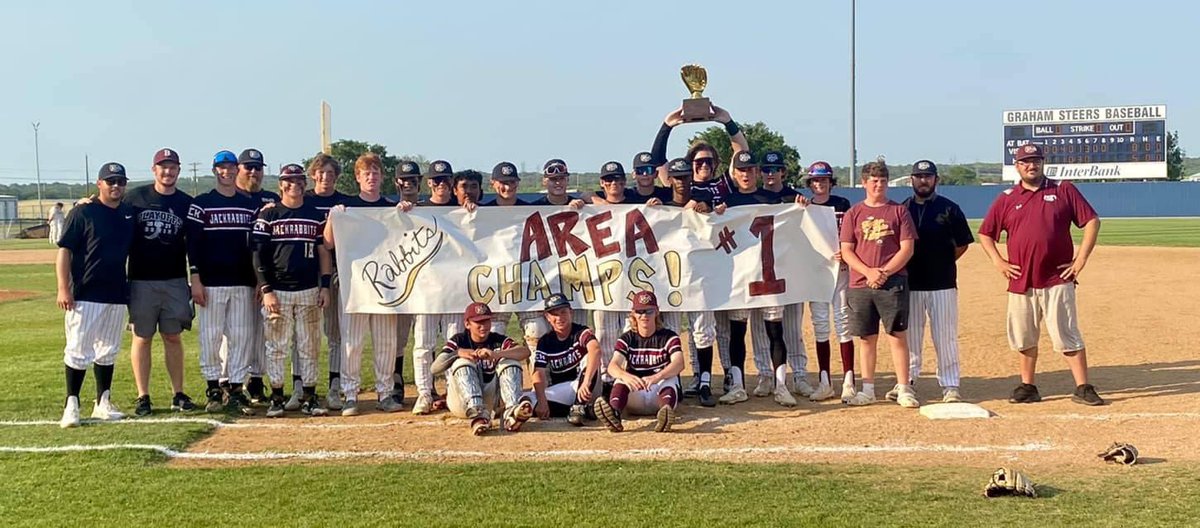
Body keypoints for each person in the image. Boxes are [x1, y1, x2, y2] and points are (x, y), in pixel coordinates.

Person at [978, 143, 1104, 406]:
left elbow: (1091, 221)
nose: (1031, 165)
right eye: (1025, 162)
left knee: (1066, 333)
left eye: (1035, 160)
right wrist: (998, 261)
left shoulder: (1063, 189)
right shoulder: (1007, 198)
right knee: (1024, 335)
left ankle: (1083, 386)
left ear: (1043, 162)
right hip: (1020, 279)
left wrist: (1080, 259)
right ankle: (1028, 385)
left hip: (1056, 278)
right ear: (1017, 166)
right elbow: (986, 233)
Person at [711, 151, 798, 408]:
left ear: (756, 173)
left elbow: (799, 214)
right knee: (738, 332)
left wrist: (800, 203)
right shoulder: (728, 202)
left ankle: (781, 385)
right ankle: (738, 385)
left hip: (769, 274)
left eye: (750, 171)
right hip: (740, 276)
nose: (746, 175)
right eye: (741, 171)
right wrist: (716, 213)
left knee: (775, 330)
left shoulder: (775, 199)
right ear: (735, 174)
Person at [55, 162, 135, 428]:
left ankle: (103, 402)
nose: (115, 186)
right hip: (85, 293)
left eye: (120, 182)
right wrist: (63, 288)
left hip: (116, 292)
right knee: (78, 349)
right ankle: (71, 404)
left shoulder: (127, 213)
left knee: (108, 351)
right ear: (99, 184)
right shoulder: (83, 212)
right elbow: (64, 251)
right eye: (110, 181)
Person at [323, 153, 403, 416]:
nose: (371, 177)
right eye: (366, 173)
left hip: (385, 284)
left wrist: (407, 214)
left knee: (386, 342)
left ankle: (385, 392)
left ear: (382, 177)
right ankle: (349, 394)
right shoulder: (347, 208)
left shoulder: (392, 208)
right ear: (357, 178)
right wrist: (333, 219)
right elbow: (328, 243)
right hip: (354, 283)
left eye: (376, 173)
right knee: (351, 341)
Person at [252, 163, 332, 418]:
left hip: (308, 288)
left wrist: (326, 286)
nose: (293, 184)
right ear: (281, 185)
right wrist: (266, 289)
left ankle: (309, 395)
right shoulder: (269, 214)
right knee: (276, 346)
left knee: (309, 346)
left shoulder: (314, 214)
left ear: (304, 183)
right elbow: (257, 254)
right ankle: (277, 396)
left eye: (298, 180)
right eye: (288, 180)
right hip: (278, 289)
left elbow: (322, 251)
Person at [838, 160, 920, 408]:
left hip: (892, 282)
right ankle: (868, 388)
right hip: (861, 284)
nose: (879, 185)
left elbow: (907, 248)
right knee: (866, 337)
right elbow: (847, 250)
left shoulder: (899, 211)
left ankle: (904, 387)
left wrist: (883, 272)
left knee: (897, 334)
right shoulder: (854, 213)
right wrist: (868, 271)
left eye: (883, 181)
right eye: (874, 181)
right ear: (864, 183)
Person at [893, 160, 973, 403]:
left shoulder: (949, 208)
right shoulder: (902, 209)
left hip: (943, 283)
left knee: (945, 336)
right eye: (919, 176)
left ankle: (950, 385)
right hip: (911, 283)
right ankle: (909, 382)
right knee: (912, 336)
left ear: (936, 179)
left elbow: (962, 244)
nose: (923, 180)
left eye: (928, 176)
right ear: (911, 180)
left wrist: (943, 262)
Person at [186, 150, 259, 415]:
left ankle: (237, 387)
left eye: (230, 167)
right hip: (211, 281)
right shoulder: (202, 203)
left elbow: (256, 245)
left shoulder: (249, 203)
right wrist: (195, 277)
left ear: (236, 170)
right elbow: (192, 244)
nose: (226, 172)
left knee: (242, 337)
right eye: (221, 167)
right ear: (214, 170)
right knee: (210, 337)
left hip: (242, 280)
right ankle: (214, 389)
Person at [126, 148, 195, 416]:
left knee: (173, 336)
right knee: (142, 337)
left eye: (172, 167)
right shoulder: (136, 198)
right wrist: (88, 201)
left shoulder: (186, 203)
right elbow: (108, 205)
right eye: (162, 167)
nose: (168, 172)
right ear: (154, 170)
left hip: (175, 279)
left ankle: (178, 393)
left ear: (178, 170)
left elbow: (194, 243)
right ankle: (143, 395)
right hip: (142, 280)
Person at [653, 158, 726, 404]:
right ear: (669, 179)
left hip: (698, 278)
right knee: (671, 333)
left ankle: (703, 381)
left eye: (685, 177)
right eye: (677, 177)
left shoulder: (703, 206)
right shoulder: (661, 207)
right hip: (669, 280)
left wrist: (711, 211)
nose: (681, 181)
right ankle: (675, 382)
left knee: (703, 332)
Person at [757, 151, 815, 400]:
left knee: (792, 327)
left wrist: (805, 207)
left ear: (783, 171)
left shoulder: (794, 198)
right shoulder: (753, 198)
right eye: (767, 170)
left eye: (775, 169)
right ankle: (765, 375)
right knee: (761, 329)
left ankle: (799, 375)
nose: (771, 174)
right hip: (760, 271)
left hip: (789, 269)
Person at [431, 302, 533, 435]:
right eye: (478, 322)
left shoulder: (497, 340)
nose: (483, 326)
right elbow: (435, 368)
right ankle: (478, 414)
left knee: (510, 362)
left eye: (486, 321)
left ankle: (511, 411)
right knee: (462, 363)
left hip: (493, 403)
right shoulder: (459, 340)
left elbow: (525, 352)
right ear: (467, 324)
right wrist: (458, 353)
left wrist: (496, 355)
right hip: (462, 404)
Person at [800, 161, 856, 402]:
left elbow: (852, 234)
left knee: (843, 322)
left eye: (823, 180)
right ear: (809, 183)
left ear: (830, 182)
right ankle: (825, 381)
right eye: (815, 180)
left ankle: (849, 380)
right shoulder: (806, 207)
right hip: (818, 273)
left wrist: (848, 251)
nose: (819, 184)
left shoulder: (843, 205)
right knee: (820, 324)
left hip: (841, 269)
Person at [300, 153, 352, 411]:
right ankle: (300, 385)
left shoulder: (344, 202)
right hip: (304, 273)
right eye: (321, 173)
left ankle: (334, 385)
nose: (326, 178)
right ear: (313, 175)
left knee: (334, 333)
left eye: (331, 174)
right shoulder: (303, 199)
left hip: (334, 271)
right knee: (303, 335)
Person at [408, 159, 459, 415]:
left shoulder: (463, 210)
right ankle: (424, 393)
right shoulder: (418, 209)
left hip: (456, 290)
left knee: (453, 345)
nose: (441, 184)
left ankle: (453, 391)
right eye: (437, 180)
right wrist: (404, 210)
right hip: (425, 289)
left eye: (446, 180)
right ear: (429, 183)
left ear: (452, 183)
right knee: (423, 345)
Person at [593, 290, 685, 433]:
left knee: (671, 378)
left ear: (657, 312)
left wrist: (657, 377)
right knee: (620, 379)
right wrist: (626, 376)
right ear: (633, 314)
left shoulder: (669, 337)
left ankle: (665, 414)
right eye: (640, 312)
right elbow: (613, 366)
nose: (644, 316)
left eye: (649, 311)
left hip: (659, 394)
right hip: (635, 395)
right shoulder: (627, 338)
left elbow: (679, 363)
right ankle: (614, 414)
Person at [232, 148, 279, 405]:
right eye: (248, 167)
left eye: (258, 167)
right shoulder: (230, 196)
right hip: (236, 274)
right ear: (239, 169)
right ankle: (230, 382)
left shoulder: (271, 199)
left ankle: (257, 380)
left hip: (264, 277)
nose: (253, 172)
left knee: (263, 332)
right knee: (237, 333)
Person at [526, 293, 601, 426]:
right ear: (547, 317)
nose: (559, 317)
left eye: (563, 312)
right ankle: (585, 410)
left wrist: (586, 382)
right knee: (527, 399)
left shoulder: (581, 332)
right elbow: (539, 372)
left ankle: (579, 408)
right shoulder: (545, 341)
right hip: (564, 390)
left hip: (586, 386)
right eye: (554, 314)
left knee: (589, 358)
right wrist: (542, 401)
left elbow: (595, 350)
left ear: (570, 312)